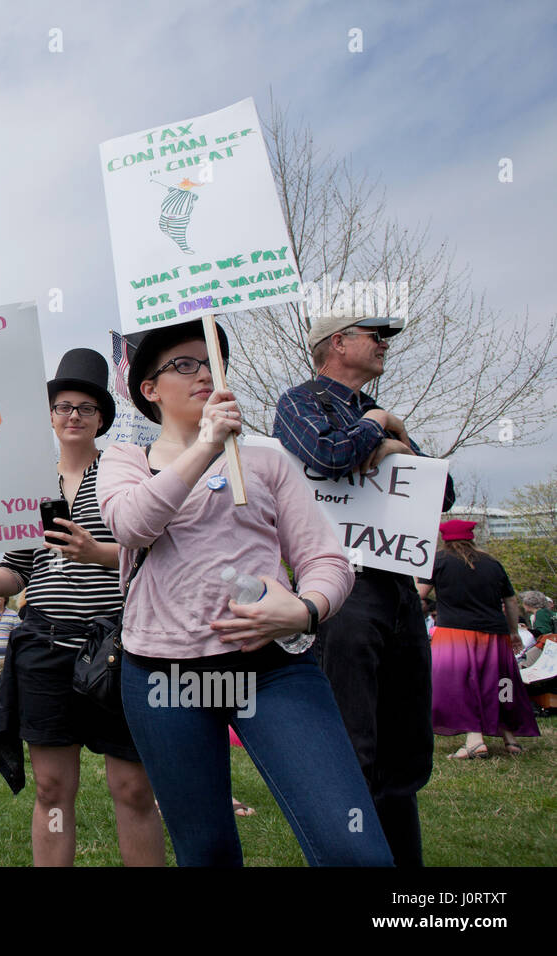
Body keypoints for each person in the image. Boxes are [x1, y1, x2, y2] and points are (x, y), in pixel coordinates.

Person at [99, 319, 391, 866]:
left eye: (212, 362)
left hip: (272, 670)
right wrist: (206, 444)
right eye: (184, 365)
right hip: (165, 676)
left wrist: (305, 610)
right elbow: (130, 525)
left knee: (353, 849)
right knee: (205, 850)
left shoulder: (267, 458)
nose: (204, 374)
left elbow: (327, 560)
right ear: (149, 390)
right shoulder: (126, 462)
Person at [0, 348, 163, 867]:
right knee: (52, 789)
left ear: (101, 418)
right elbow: (18, 568)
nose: (73, 415)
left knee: (134, 786)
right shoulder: (26, 484)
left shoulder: (125, 470)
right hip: (44, 646)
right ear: (49, 417)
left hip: (118, 644)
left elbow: (158, 548)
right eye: (63, 406)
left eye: (86, 407)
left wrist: (96, 552)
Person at [273, 312, 454, 867]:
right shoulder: (299, 403)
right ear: (337, 343)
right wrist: (379, 426)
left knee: (405, 747)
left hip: (398, 588)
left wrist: (398, 445)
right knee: (354, 746)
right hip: (344, 589)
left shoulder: (377, 415)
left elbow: (440, 496)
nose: (383, 346)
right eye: (374, 335)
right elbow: (327, 455)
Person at [417, 520, 539, 757]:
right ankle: (510, 739)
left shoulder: (438, 562)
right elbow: (511, 601)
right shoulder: (492, 563)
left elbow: (420, 596)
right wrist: (513, 632)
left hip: (454, 633)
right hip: (495, 633)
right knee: (502, 683)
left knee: (460, 684)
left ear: (445, 539)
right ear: (471, 538)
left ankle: (474, 739)